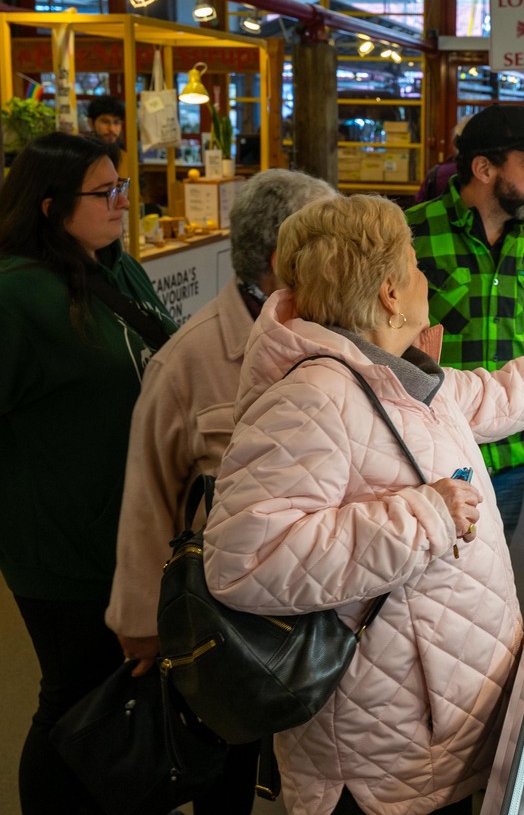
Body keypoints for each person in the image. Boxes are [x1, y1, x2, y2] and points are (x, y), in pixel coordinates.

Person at [201, 194, 524, 815]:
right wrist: (426, 517)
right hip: (381, 749)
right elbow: (246, 561)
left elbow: (498, 395)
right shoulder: (312, 396)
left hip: (434, 724)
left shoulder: (394, 373)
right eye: (415, 266)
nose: (425, 279)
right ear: (389, 292)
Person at [106, 168, 337, 814]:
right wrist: (140, 623)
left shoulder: (339, 330)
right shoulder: (190, 358)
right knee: (225, 770)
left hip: (326, 606)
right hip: (228, 622)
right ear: (282, 258)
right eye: (331, 241)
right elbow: (149, 495)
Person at [0, 131, 175, 815]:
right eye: (106, 193)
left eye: (122, 187)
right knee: (74, 699)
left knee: (125, 692)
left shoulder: (117, 267)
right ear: (50, 207)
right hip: (62, 544)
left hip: (135, 531)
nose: (123, 202)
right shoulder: (15, 296)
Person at [405, 104, 524, 540]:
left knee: (495, 568)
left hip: (511, 456)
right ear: (484, 168)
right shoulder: (409, 237)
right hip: (427, 460)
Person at [86, 95, 129, 176]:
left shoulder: (125, 156)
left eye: (116, 122)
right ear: (91, 123)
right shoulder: (84, 156)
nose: (112, 129)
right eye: (105, 122)